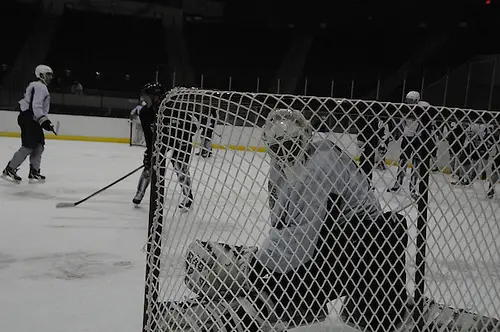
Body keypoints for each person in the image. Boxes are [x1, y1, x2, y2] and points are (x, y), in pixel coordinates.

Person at [161, 108, 411, 332]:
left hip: (357, 247)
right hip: (339, 241)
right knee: (201, 257)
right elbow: (287, 223)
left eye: (289, 146)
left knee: (229, 271)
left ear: (303, 138)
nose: (283, 153)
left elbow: (304, 236)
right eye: (276, 148)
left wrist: (258, 270)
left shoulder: (315, 169)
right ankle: (286, 300)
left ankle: (280, 305)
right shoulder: (296, 158)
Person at [132, 83, 196, 213]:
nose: (144, 99)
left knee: (179, 166)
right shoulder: (145, 112)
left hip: (180, 141)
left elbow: (192, 127)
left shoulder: (173, 109)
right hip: (160, 141)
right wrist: (150, 154)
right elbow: (149, 137)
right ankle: (139, 193)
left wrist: (180, 138)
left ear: (156, 97)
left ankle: (188, 197)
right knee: (149, 165)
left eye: (146, 97)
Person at [2, 64, 55, 184]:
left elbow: (36, 106)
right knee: (29, 145)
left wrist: (43, 120)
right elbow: (35, 105)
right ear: (41, 74)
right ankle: (9, 170)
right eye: (48, 75)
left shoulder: (38, 86)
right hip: (29, 118)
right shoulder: (40, 86)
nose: (50, 77)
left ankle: (34, 172)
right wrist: (43, 120)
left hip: (32, 118)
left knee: (39, 145)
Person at [387, 91, 437, 199]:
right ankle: (398, 184)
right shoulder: (405, 109)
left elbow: (429, 121)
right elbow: (402, 122)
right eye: (408, 100)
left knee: (416, 164)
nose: (409, 103)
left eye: (411, 100)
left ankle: (413, 188)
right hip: (407, 138)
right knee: (403, 161)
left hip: (418, 139)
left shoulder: (423, 107)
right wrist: (400, 132)